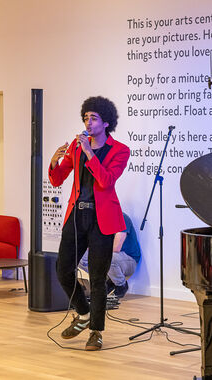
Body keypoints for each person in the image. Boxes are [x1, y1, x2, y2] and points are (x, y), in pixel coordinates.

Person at [49, 96, 130, 351]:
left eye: (93, 118)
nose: (88, 122)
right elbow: (57, 179)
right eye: (86, 117)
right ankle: (83, 314)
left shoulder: (119, 151)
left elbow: (106, 181)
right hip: (77, 216)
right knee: (63, 269)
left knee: (96, 279)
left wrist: (88, 152)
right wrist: (54, 161)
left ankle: (96, 331)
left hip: (102, 220)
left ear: (106, 123)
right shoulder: (76, 145)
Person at [79, 212, 141, 299]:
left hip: (129, 259)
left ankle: (121, 285)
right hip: (108, 256)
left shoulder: (122, 218)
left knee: (109, 258)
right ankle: (105, 281)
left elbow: (116, 248)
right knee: (80, 257)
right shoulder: (98, 220)